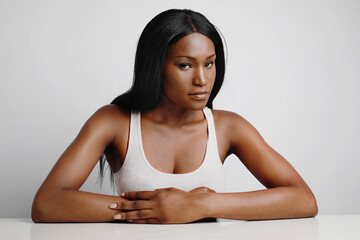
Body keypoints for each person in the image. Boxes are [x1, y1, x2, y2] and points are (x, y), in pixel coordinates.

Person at [31, 9, 318, 224]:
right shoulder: (113, 122)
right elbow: (47, 203)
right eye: (185, 65)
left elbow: (303, 200)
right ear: (155, 67)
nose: (202, 80)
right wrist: (154, 210)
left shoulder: (230, 127)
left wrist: (203, 205)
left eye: (209, 63)